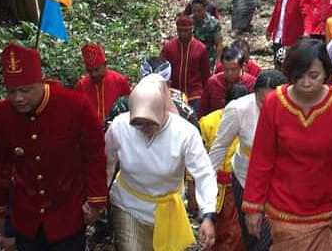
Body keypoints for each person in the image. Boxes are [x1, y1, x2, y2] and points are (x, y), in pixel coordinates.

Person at [242, 39, 332, 250]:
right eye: (299, 76)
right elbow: (262, 157)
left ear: (326, 73)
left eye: (313, 76)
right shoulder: (274, 104)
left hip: (328, 209)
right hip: (283, 209)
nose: (306, 83)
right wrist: (253, 207)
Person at [0, 43, 107, 250]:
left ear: (40, 82)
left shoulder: (75, 106)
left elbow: (95, 154)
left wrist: (96, 200)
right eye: (11, 91)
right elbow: (1, 163)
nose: (18, 98)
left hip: (67, 213)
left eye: (25, 90)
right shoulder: (1, 114)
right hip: (27, 216)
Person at [105, 75, 217, 251]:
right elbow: (107, 164)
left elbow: (203, 173)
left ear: (163, 112)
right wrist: (97, 199)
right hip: (129, 205)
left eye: (150, 125)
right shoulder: (120, 126)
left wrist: (208, 215)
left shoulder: (184, 133)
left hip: (167, 210)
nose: (145, 130)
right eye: (139, 125)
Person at [209, 70, 288, 251]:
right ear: (254, 94)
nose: (267, 106)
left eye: (273, 101)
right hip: (246, 180)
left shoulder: (294, 109)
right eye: (262, 100)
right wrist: (206, 181)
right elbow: (220, 146)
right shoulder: (239, 109)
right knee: (256, 236)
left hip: (281, 184)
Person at [198, 84, 250, 251]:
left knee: (234, 235)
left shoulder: (253, 120)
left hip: (238, 187)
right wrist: (193, 186)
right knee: (212, 232)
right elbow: (199, 157)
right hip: (212, 186)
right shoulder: (208, 122)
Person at [161, 15, 211, 110]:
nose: (183, 34)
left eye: (186, 30)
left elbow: (205, 75)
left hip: (194, 93)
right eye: (180, 30)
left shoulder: (201, 48)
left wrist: (206, 96)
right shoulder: (168, 47)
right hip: (173, 93)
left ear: (192, 30)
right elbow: (162, 71)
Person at [75, 43, 132, 123]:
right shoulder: (81, 85)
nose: (93, 74)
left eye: (96, 70)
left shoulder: (119, 80)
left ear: (105, 64)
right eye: (89, 71)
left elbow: (129, 108)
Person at [199, 46, 257, 117]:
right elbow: (203, 111)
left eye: (233, 69)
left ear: (243, 67)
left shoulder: (252, 83)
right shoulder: (213, 82)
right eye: (226, 69)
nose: (229, 73)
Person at [267, 0, 305, 68]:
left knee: (289, 64)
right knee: (277, 60)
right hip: (278, 36)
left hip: (291, 38)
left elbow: (305, 17)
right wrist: (269, 29)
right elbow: (276, 13)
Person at [189, 0, 224, 69]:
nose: (196, 13)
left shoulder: (213, 23)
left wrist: (218, 62)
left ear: (204, 9)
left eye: (199, 11)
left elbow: (219, 45)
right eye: (194, 11)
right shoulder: (189, 21)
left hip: (208, 57)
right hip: (191, 57)